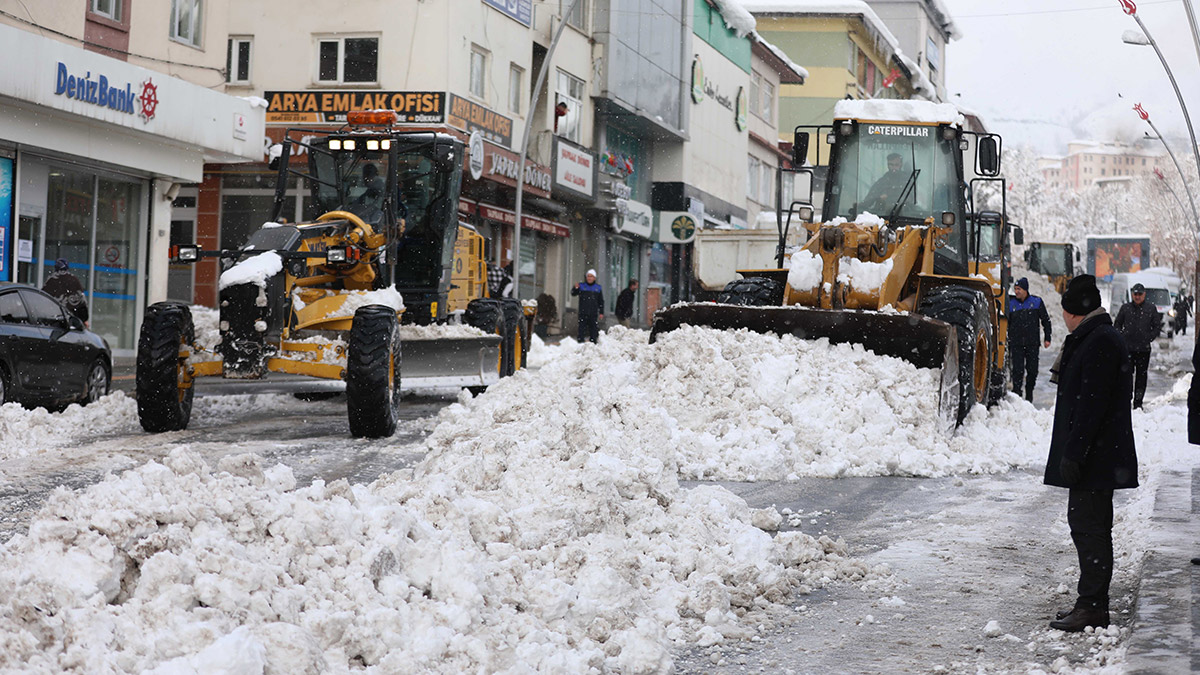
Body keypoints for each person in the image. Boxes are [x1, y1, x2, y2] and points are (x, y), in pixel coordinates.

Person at [1045, 274, 1138, 632]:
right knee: (1089, 527)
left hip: (1096, 458)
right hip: (1098, 456)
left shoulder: (1098, 341)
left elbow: (1090, 406)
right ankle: (1091, 603)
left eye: (1065, 311)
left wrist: (1075, 453)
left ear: (1074, 312)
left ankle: (1093, 607)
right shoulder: (1097, 336)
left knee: (1090, 529)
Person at [1113, 282, 1163, 408]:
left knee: (1141, 376)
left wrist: (1149, 337)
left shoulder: (1151, 308)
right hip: (1127, 349)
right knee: (1126, 376)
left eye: (1140, 294)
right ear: (1132, 294)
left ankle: (1138, 402)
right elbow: (1117, 324)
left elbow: (1157, 326)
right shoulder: (1125, 308)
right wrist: (1122, 336)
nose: (1137, 296)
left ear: (1144, 294)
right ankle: (1126, 399)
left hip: (1143, 349)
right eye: (1135, 294)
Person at [1007, 277, 1052, 401]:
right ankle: (1017, 394)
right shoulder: (1011, 304)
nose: (1016, 292)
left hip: (1032, 344)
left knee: (1032, 371)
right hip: (1016, 344)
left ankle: (1029, 392)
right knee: (1017, 371)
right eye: (1015, 289)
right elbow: (1006, 324)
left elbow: (1046, 321)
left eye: (1019, 289)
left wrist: (1047, 337)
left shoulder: (1036, 302)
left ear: (1025, 289)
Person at [42, 258, 89, 324]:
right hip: (72, 320)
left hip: (53, 319)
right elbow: (82, 301)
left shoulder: (51, 280)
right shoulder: (73, 280)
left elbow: (42, 298)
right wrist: (83, 319)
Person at [571, 268, 603, 343]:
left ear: (594, 278)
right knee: (581, 328)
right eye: (588, 276)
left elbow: (600, 301)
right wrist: (575, 288)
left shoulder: (597, 288)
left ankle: (593, 342)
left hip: (593, 312)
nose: (589, 278)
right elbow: (573, 293)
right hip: (583, 312)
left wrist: (601, 312)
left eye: (591, 276)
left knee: (593, 328)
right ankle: (580, 342)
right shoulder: (581, 286)